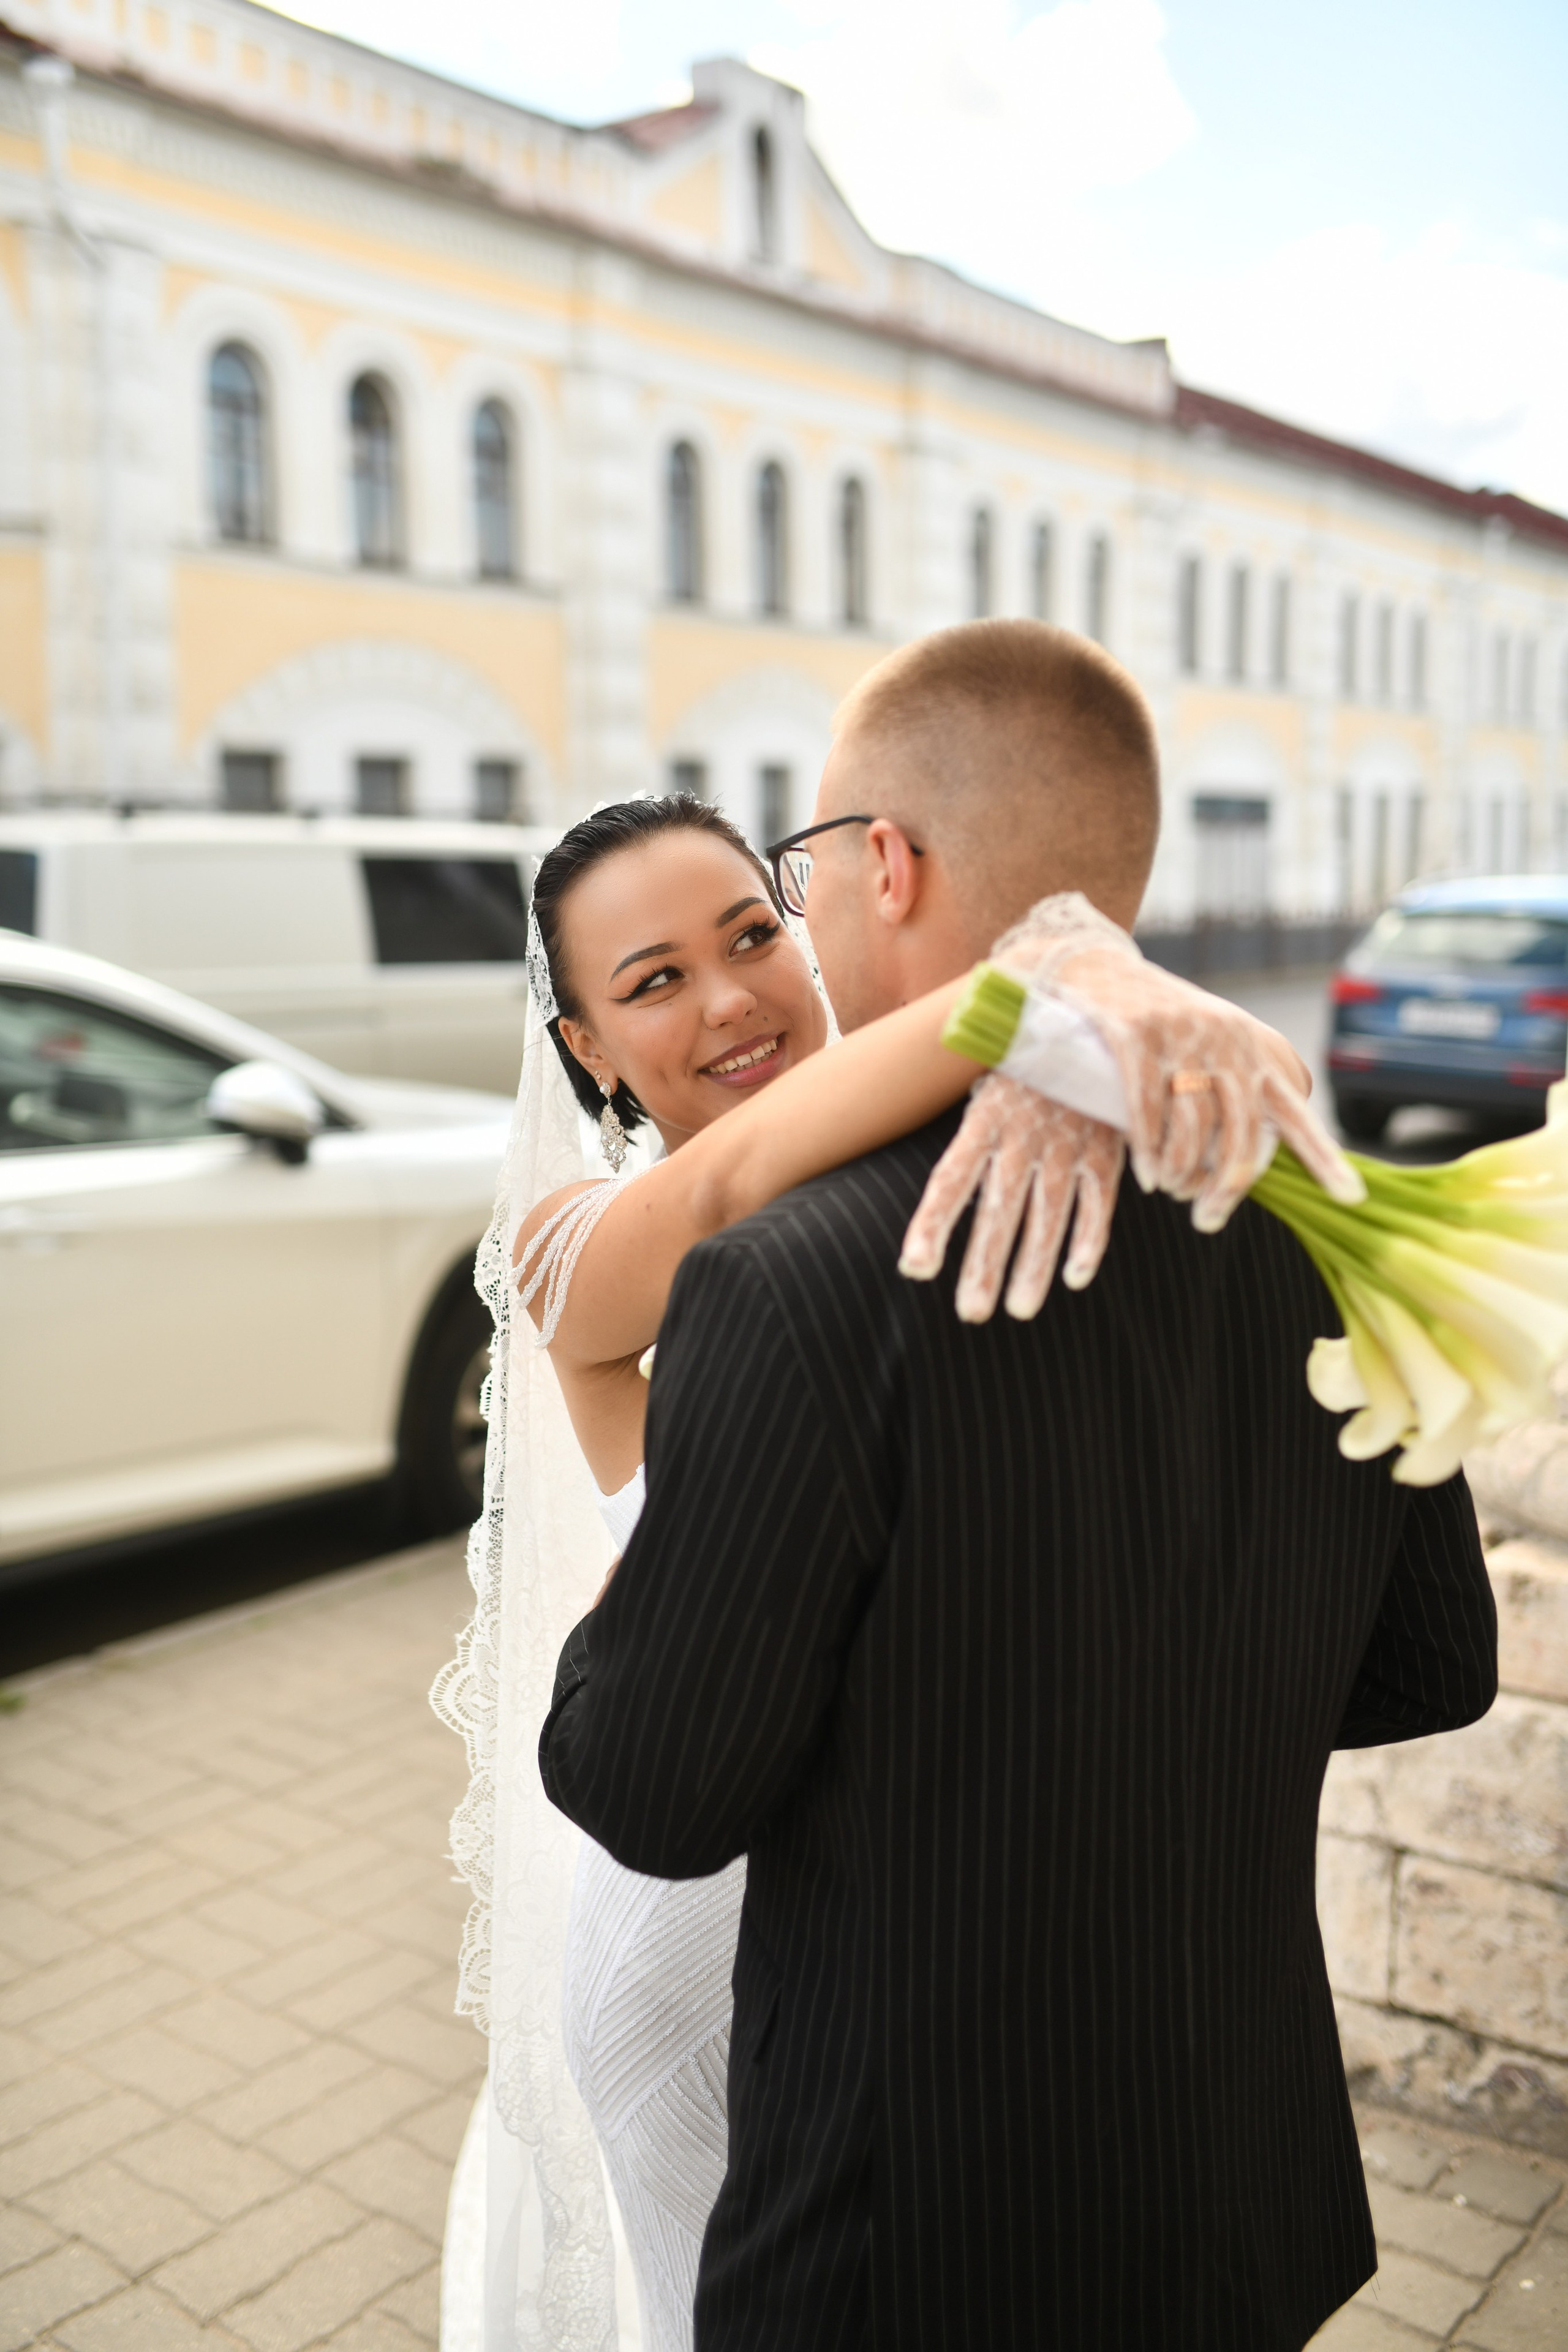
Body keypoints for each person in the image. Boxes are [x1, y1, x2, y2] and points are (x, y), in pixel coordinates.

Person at [538, 621, 1499, 2351]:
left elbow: (657, 1794)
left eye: (786, 891)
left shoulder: (794, 1284)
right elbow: (1434, 1663)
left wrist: (624, 1614)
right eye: (655, 976)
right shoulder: (1311, 1216)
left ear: (883, 866)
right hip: (1234, 2202)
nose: (777, 947)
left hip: (914, 2251)